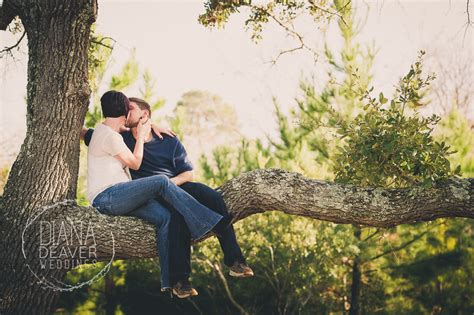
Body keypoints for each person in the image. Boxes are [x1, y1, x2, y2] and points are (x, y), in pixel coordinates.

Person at [83, 96, 254, 298]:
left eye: (130, 108)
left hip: (174, 186)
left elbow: (188, 174)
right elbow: (88, 134)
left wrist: (170, 185)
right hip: (142, 192)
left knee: (213, 197)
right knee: (175, 218)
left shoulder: (169, 140)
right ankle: (180, 281)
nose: (125, 112)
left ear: (144, 115)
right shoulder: (120, 137)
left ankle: (236, 261)